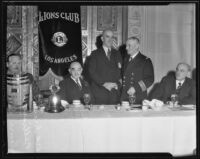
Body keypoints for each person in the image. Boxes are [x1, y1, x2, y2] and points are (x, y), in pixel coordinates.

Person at [88, 29, 122, 104]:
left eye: (112, 37)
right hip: (99, 92)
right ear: (102, 39)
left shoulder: (117, 54)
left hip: (114, 93)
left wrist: (118, 85)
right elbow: (92, 72)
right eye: (107, 37)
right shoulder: (95, 54)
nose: (110, 39)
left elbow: (121, 72)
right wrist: (104, 84)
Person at [121, 37, 154, 104]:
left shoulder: (145, 60)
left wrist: (135, 88)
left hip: (137, 97)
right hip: (124, 97)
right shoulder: (125, 60)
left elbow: (149, 79)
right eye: (126, 45)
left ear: (137, 46)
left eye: (129, 45)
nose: (126, 48)